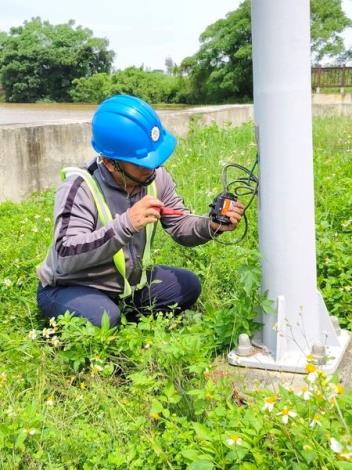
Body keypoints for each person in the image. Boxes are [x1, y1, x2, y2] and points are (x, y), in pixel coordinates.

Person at [36, 95, 244, 327]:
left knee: (188, 285)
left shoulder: (156, 177)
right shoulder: (80, 188)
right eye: (142, 162)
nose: (152, 167)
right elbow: (66, 256)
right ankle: (95, 315)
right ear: (110, 162)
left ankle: (120, 312)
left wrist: (211, 226)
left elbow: (180, 224)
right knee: (104, 318)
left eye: (154, 159)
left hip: (126, 285)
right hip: (73, 286)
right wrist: (126, 224)